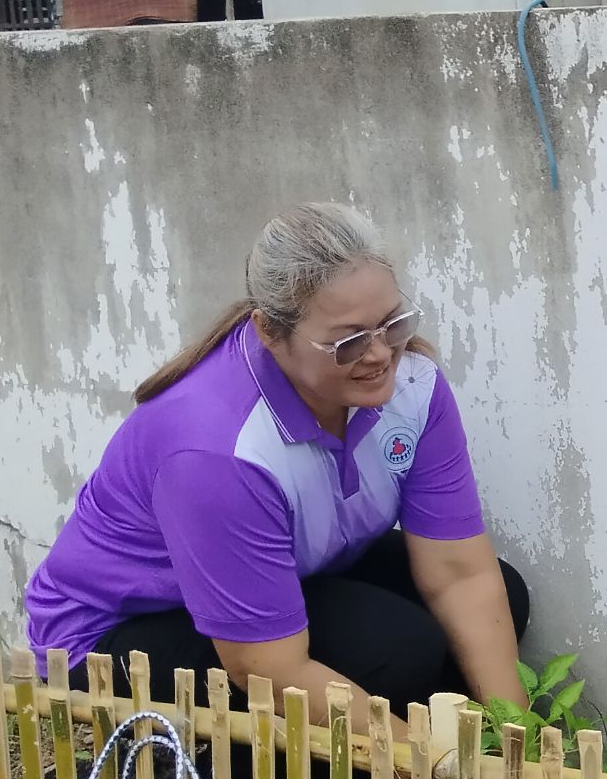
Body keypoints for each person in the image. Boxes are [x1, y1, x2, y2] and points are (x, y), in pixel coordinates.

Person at [26, 204, 531, 725]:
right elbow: (264, 666)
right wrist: (428, 771)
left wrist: (517, 746)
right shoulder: (216, 449)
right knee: (397, 652)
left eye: (392, 324)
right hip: (118, 633)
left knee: (500, 600)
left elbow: (459, 575)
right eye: (349, 340)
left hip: (281, 568)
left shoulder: (414, 387)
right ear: (271, 332)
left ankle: (440, 771)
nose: (381, 354)